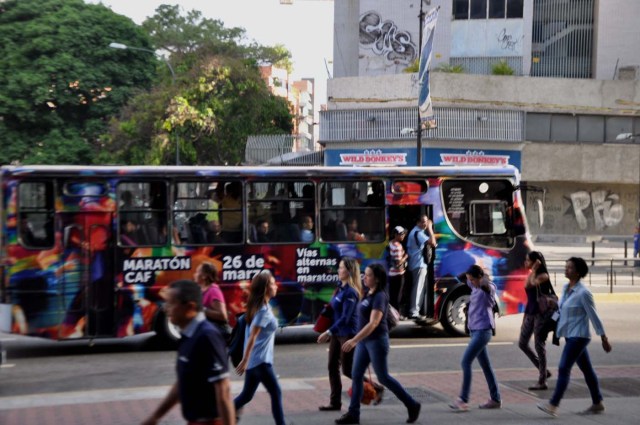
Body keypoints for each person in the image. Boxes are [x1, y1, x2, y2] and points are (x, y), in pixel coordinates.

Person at [336, 263, 421, 425]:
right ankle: (353, 414)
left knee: (383, 377)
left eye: (368, 275)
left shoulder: (380, 296)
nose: (364, 277)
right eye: (365, 274)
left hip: (376, 341)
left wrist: (354, 340)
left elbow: (374, 323)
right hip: (364, 342)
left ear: (377, 278)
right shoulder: (368, 293)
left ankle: (412, 404)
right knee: (356, 375)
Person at [141, 280, 235, 425]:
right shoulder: (188, 335)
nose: (165, 309)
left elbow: (224, 392)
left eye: (171, 304)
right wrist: (156, 416)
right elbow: (184, 382)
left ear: (190, 307)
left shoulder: (207, 337)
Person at [538, 257, 612, 417]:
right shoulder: (565, 288)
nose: (566, 270)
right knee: (587, 370)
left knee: (564, 368)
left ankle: (553, 404)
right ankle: (597, 402)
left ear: (578, 272)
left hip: (579, 336)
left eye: (570, 268)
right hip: (570, 335)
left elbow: (594, 316)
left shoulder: (584, 293)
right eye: (566, 267)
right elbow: (562, 309)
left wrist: (604, 338)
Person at [317, 257, 383, 412]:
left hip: (348, 334)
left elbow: (345, 318)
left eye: (341, 268)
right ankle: (335, 403)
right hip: (337, 332)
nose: (338, 270)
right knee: (332, 366)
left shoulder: (350, 293)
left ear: (349, 271)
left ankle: (376, 387)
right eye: (339, 267)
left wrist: (328, 331)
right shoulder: (339, 288)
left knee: (347, 370)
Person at [234, 270, 286, 425]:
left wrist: (247, 360)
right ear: (265, 288)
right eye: (272, 283)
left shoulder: (261, 306)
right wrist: (245, 360)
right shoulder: (262, 311)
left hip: (256, 361)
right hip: (260, 362)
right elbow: (252, 336)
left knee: (246, 396)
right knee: (276, 392)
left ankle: (220, 414)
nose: (276, 286)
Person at [449, 265, 501, 412]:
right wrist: (468, 273)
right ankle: (496, 398)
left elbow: (485, 285)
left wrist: (483, 276)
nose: (470, 282)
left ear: (479, 278)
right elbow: (459, 277)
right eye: (470, 280)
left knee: (466, 362)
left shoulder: (488, 287)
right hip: (475, 331)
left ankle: (463, 400)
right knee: (486, 366)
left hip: (483, 331)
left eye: (473, 279)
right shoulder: (474, 286)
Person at [519, 251, 555, 390]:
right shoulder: (532, 274)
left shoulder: (543, 276)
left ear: (535, 262)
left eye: (528, 260)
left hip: (541, 314)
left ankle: (542, 380)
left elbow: (530, 285)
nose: (525, 263)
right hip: (530, 312)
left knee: (539, 345)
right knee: (522, 343)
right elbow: (527, 287)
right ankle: (544, 371)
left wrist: (533, 270)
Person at [406, 215, 431, 319]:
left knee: (419, 287)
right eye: (423, 222)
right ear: (418, 223)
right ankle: (414, 311)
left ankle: (415, 310)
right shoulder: (418, 233)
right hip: (418, 264)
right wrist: (430, 228)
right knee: (418, 288)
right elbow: (433, 242)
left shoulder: (415, 231)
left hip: (417, 264)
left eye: (426, 222)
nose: (425, 224)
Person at [195, 262, 228, 326]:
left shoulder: (213, 291)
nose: (195, 275)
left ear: (204, 276)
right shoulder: (201, 290)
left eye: (197, 272)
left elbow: (223, 316)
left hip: (215, 332)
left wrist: (201, 309)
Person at [387, 226, 408, 312]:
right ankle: (397, 313)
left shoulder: (390, 243)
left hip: (391, 273)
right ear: (396, 235)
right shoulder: (398, 246)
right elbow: (398, 262)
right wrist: (406, 256)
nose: (403, 236)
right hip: (398, 274)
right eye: (401, 234)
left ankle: (392, 312)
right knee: (398, 295)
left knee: (392, 294)